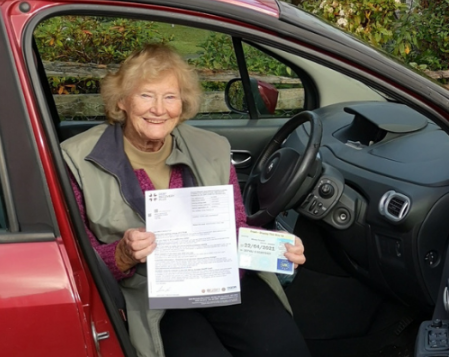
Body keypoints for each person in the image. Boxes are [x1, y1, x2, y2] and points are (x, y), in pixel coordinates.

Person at [61, 43, 311, 357]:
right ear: (122, 100)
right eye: (145, 95)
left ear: (183, 102)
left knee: (283, 347)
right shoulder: (77, 159)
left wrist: (275, 248)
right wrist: (122, 255)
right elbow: (76, 261)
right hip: (150, 293)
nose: (158, 109)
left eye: (170, 96)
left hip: (220, 281)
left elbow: (232, 230)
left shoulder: (212, 147)